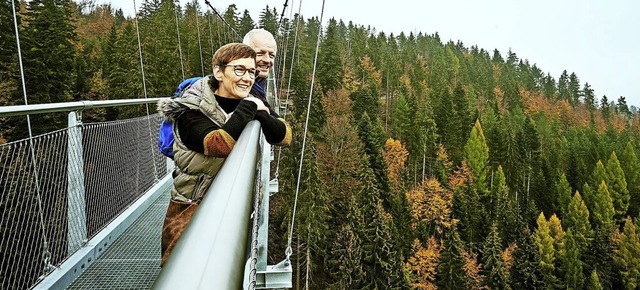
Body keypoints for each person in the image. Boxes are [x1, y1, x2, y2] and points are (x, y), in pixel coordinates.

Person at [157, 43, 292, 265]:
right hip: (190, 208)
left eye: (251, 72)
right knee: (182, 269)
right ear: (219, 72)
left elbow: (285, 136)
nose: (247, 78)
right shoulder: (189, 110)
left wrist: (261, 114)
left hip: (230, 205)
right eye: (239, 70)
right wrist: (250, 106)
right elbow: (216, 144)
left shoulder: (242, 102)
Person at [243, 28, 278, 114]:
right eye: (259, 54)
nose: (267, 60)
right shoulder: (236, 88)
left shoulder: (259, 83)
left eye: (271, 55)